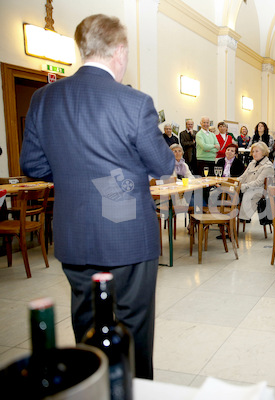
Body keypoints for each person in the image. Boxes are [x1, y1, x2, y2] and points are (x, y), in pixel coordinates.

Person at [20, 14, 175, 380]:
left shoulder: (44, 99)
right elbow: (163, 164)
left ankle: (91, 387)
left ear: (82, 48)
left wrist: (75, 177)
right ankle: (132, 390)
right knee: (133, 327)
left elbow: (33, 165)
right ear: (119, 50)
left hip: (75, 235)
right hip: (127, 237)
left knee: (87, 322)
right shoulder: (134, 102)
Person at [238, 142, 274, 222]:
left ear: (264, 152)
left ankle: (238, 219)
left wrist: (243, 186)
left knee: (242, 194)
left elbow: (258, 182)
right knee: (228, 192)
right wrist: (234, 183)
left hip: (260, 191)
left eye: (257, 151)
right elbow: (243, 177)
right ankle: (227, 222)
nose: (254, 154)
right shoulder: (252, 163)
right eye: (253, 151)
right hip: (249, 187)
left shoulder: (268, 166)